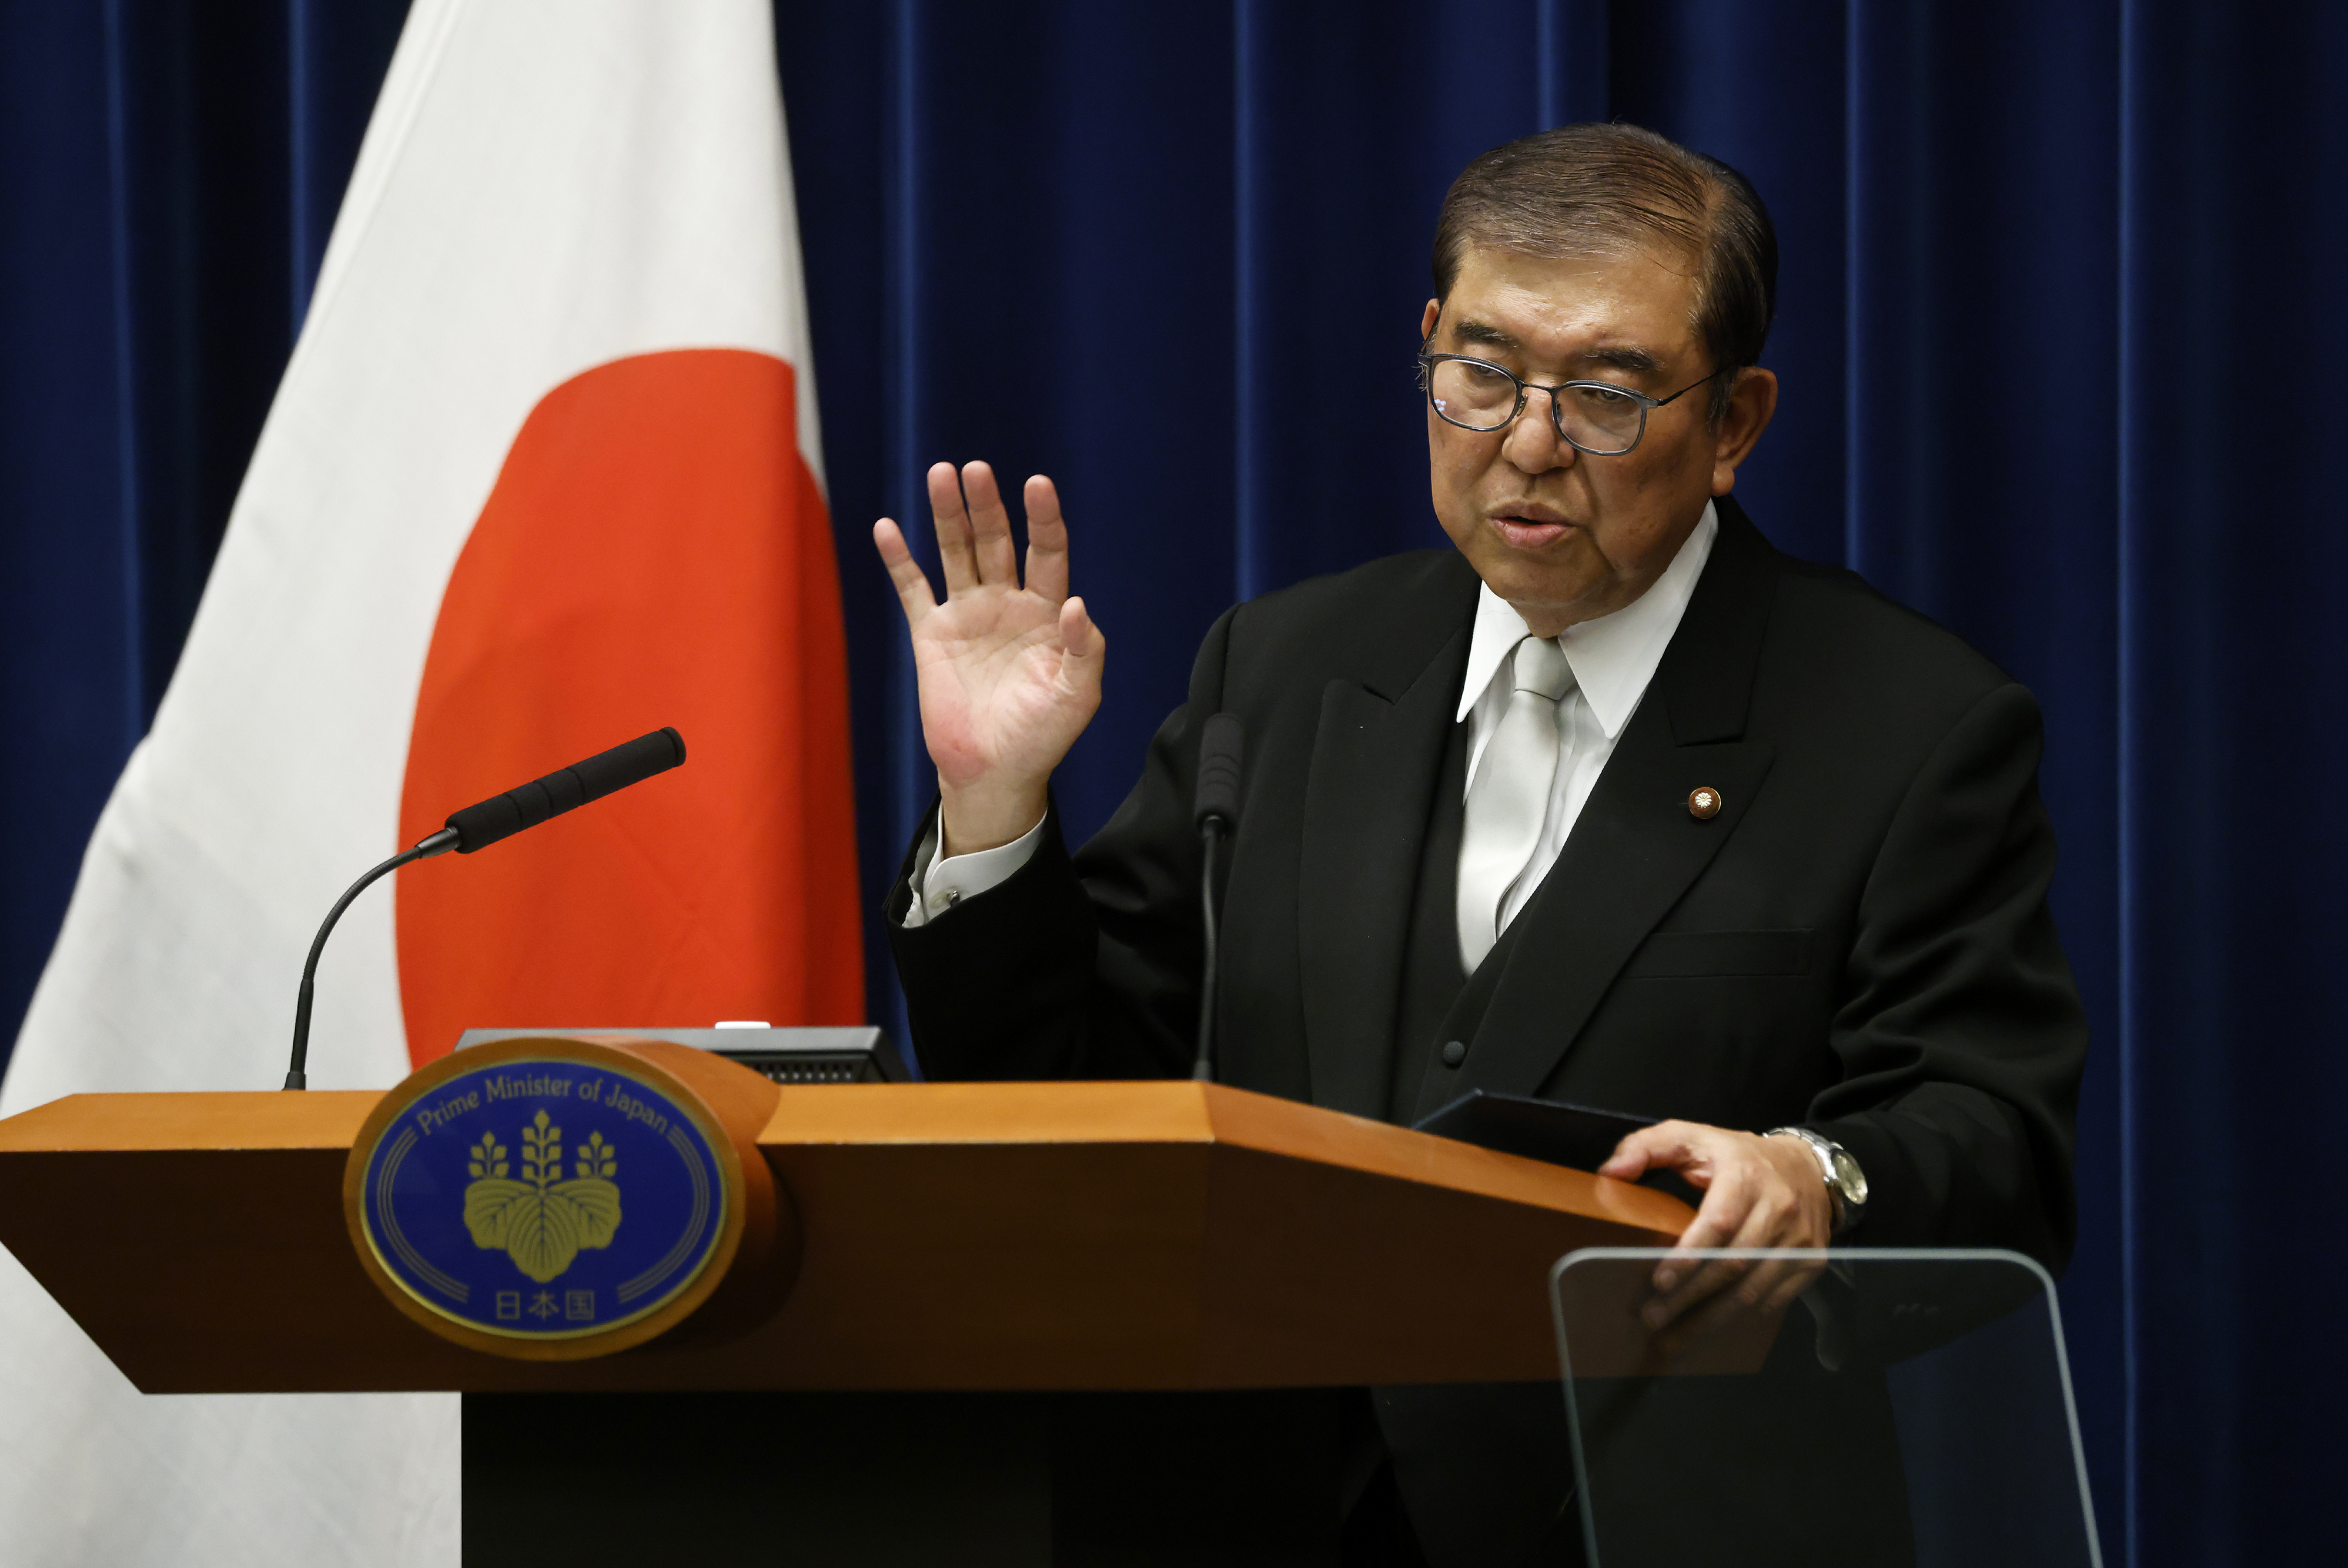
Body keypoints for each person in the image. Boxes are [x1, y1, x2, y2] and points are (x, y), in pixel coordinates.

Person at [871, 122, 2086, 1566]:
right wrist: (995, 805)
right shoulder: (1285, 666)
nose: (1526, 443)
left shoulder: (1905, 722)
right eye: (1483, 372)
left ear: (1734, 423)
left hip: (1651, 1520)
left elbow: (1990, 1131)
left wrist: (1812, 1174)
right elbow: (1073, 1090)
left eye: (1607, 394)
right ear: (1429, 347)